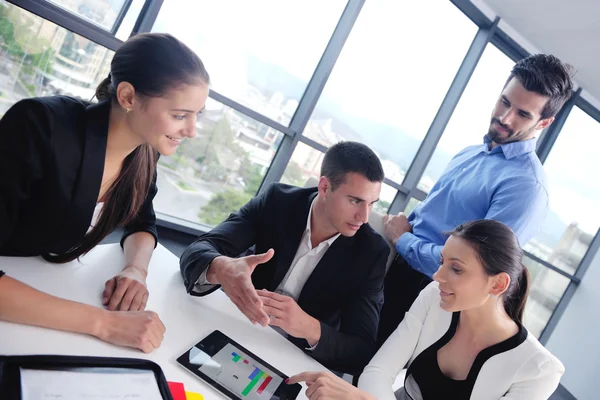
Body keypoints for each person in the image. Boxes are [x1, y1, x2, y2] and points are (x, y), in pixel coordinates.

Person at [0, 33, 210, 353]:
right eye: (180, 115)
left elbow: (143, 222)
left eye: (197, 115)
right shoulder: (40, 125)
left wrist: (135, 270)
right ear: (127, 96)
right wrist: (104, 323)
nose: (192, 131)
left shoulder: (143, 153)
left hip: (34, 280)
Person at [378, 54, 574, 345]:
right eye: (505, 102)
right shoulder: (470, 153)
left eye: (523, 114)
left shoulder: (526, 188)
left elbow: (475, 269)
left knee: (366, 380)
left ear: (544, 123)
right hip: (392, 265)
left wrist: (404, 240)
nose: (505, 117)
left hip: (426, 292)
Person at [288, 219, 564, 400]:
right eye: (442, 262)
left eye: (456, 269)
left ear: (497, 284)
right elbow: (377, 372)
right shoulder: (435, 297)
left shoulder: (539, 370)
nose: (437, 276)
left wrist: (360, 398)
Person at [180, 141, 390, 374]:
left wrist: (309, 327)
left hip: (293, 362)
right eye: (355, 201)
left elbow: (361, 351)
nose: (364, 216)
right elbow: (199, 248)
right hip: (234, 329)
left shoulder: (372, 253)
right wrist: (221, 268)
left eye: (371, 204)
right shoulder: (277, 201)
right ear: (324, 187)